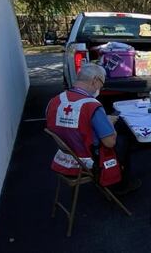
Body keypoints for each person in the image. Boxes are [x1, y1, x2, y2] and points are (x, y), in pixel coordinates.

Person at [46, 63, 141, 195]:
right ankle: (120, 184)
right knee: (125, 139)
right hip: (87, 158)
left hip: (66, 153)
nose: (101, 87)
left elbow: (73, 121)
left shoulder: (55, 100)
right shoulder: (92, 105)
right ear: (95, 80)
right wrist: (107, 123)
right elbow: (110, 143)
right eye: (102, 83)